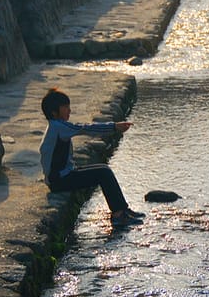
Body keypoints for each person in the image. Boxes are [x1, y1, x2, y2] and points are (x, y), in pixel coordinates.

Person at [39, 88, 144, 226]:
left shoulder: (55, 126)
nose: (69, 110)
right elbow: (86, 128)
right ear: (54, 112)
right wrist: (114, 127)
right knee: (104, 173)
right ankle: (119, 214)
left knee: (104, 169)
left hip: (60, 177)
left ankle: (122, 209)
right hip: (60, 181)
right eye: (65, 107)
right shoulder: (58, 127)